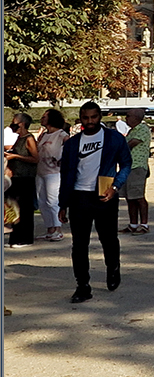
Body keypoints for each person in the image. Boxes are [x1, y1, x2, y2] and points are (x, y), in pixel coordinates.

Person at [58, 102, 133, 302]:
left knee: (108, 239)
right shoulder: (72, 143)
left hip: (104, 195)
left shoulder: (114, 138)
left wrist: (115, 187)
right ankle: (82, 285)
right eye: (85, 118)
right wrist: (62, 204)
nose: (90, 121)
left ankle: (113, 267)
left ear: (99, 116)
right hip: (78, 197)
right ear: (80, 119)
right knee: (79, 244)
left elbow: (126, 164)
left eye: (93, 117)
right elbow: (65, 174)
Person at [6, 114, 39, 248]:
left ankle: (25, 238)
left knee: (25, 208)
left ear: (23, 124)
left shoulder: (29, 138)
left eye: (16, 124)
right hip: (16, 176)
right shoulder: (17, 138)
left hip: (26, 177)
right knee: (14, 208)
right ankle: (15, 236)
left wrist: (16, 157)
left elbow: (35, 158)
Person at [35, 110, 68, 242]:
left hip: (54, 172)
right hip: (41, 171)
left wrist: (63, 159)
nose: (42, 119)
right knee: (42, 201)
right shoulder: (43, 135)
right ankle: (50, 229)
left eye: (44, 117)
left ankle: (58, 228)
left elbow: (70, 147)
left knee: (52, 200)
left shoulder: (61, 134)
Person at [121, 107, 153, 235]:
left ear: (136, 117)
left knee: (139, 196)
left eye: (128, 115)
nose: (126, 118)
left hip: (137, 166)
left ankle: (144, 224)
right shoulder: (132, 130)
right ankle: (133, 224)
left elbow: (131, 144)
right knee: (130, 197)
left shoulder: (142, 129)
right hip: (129, 166)